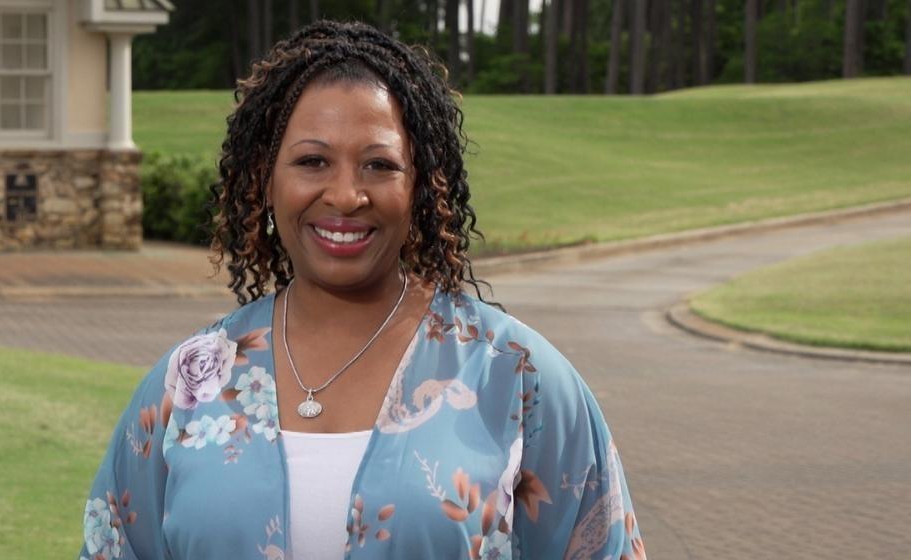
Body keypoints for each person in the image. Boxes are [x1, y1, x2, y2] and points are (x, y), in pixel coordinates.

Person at [79, 21, 646, 560]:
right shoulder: (191, 382)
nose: (346, 195)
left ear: (423, 185)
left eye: (379, 165)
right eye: (312, 161)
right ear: (264, 179)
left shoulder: (516, 377)